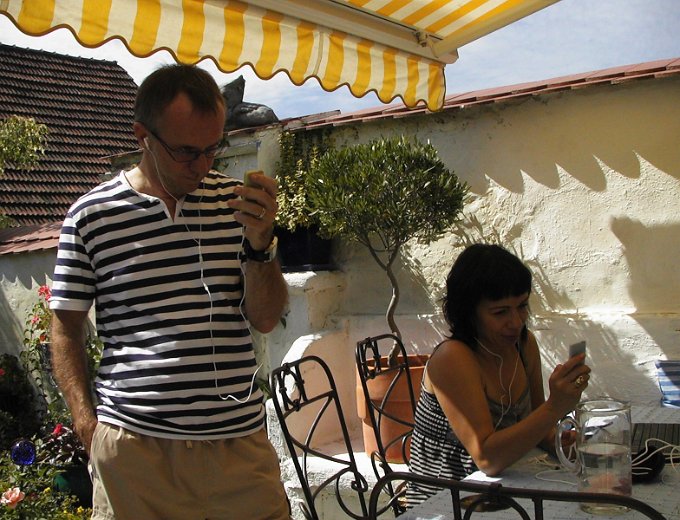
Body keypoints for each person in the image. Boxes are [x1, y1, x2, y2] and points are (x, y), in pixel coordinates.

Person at [49, 64, 290, 520]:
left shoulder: (238, 206)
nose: (203, 165)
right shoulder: (90, 216)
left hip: (237, 447)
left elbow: (264, 318)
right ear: (143, 136)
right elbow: (65, 327)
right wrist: (86, 423)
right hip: (136, 453)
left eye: (212, 148)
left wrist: (261, 246)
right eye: (186, 152)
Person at [407, 244, 591, 506]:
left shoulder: (524, 345)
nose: (516, 321)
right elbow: (486, 458)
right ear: (469, 312)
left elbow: (539, 427)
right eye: (500, 312)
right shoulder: (454, 357)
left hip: (507, 489)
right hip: (449, 500)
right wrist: (555, 407)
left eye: (522, 306)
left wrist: (563, 442)